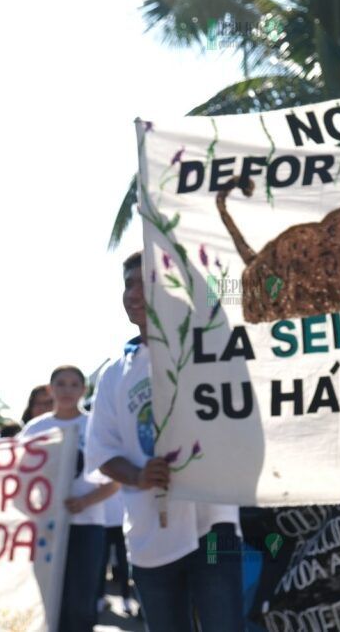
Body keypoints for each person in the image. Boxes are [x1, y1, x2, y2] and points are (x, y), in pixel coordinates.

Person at [86, 252, 243, 631]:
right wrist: (140, 476)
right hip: (149, 535)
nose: (133, 293)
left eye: (145, 282)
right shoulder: (113, 375)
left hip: (212, 525)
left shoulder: (208, 350)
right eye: (128, 284)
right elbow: (103, 453)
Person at [22, 365, 120, 632]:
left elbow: (115, 479)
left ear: (83, 390)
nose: (67, 390)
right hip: (45, 528)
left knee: (81, 600)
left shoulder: (95, 426)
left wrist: (85, 501)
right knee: (46, 598)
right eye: (61, 384)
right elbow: (18, 476)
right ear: (50, 389)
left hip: (87, 526)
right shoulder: (35, 429)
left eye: (73, 384)